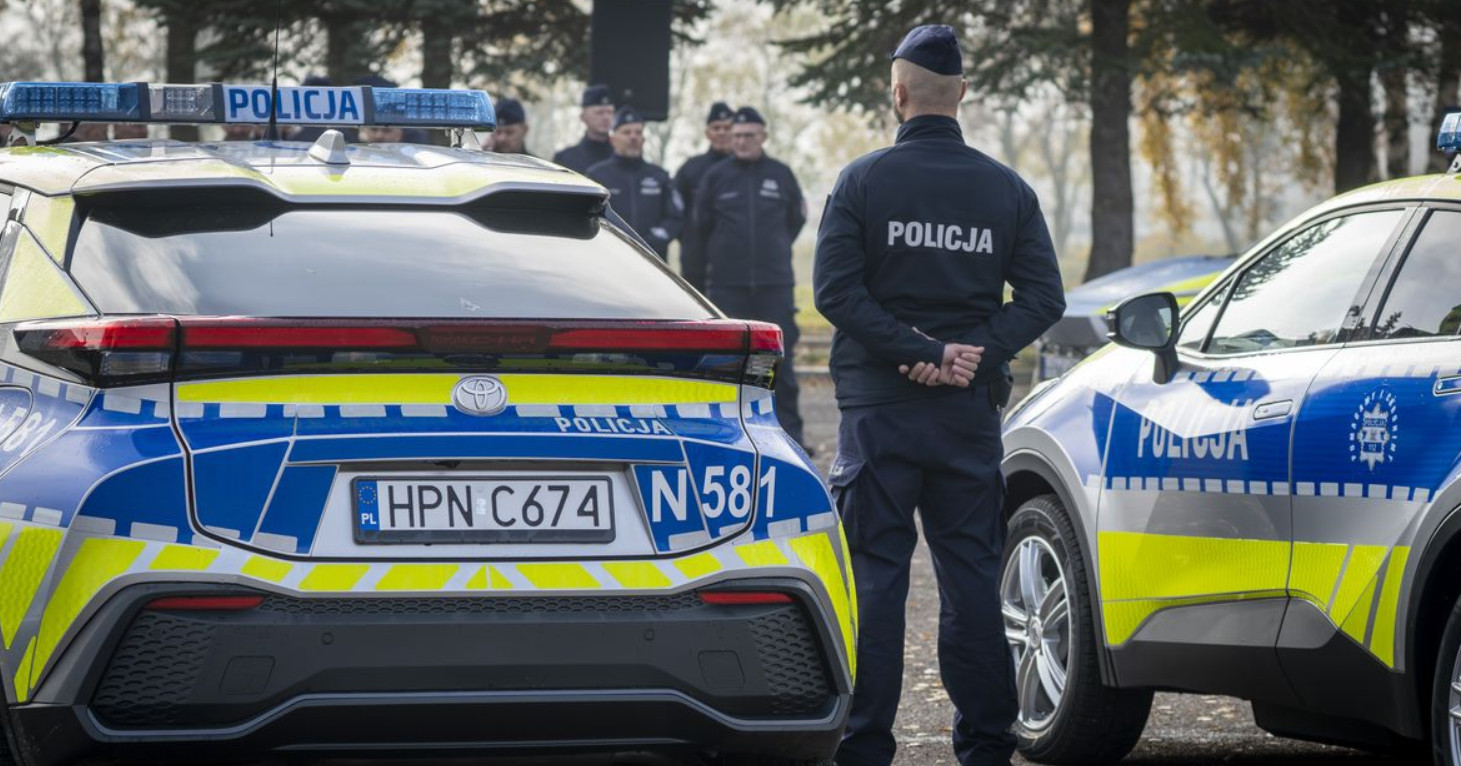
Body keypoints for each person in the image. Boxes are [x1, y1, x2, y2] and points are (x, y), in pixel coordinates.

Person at [814, 24, 1066, 766]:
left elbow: (834, 291)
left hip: (878, 416)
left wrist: (915, 354)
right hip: (964, 416)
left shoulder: (861, 181)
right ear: (961, 95)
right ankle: (986, 747)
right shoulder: (1004, 188)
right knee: (969, 583)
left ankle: (863, 747)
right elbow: (1043, 297)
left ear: (897, 95)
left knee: (876, 585)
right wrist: (967, 355)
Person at [693, 106, 807, 447]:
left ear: (763, 136)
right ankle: (724, 434)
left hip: (774, 285)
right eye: (737, 135)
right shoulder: (715, 177)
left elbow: (795, 220)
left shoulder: (782, 174)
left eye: (749, 136)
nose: (741, 141)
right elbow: (702, 224)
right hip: (728, 286)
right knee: (726, 365)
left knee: (781, 365)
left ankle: (790, 435)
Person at [586, 106, 682, 261]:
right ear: (613, 139)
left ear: (643, 139)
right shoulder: (597, 175)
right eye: (626, 132)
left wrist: (651, 241)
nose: (633, 137)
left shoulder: (660, 176)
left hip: (653, 261)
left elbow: (674, 217)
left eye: (638, 132)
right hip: (609, 259)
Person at [673, 101, 734, 290]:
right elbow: (675, 211)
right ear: (707, 133)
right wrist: (690, 238)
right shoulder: (690, 168)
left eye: (727, 127)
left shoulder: (747, 171)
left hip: (735, 265)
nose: (722, 132)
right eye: (716, 128)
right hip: (696, 262)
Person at [552, 84, 614, 173]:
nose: (606, 117)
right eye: (599, 112)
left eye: (609, 112)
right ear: (583, 117)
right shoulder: (566, 158)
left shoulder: (622, 158)